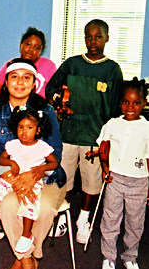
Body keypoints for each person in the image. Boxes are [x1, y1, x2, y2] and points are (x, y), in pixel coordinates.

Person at [0, 57, 66, 269]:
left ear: (34, 83)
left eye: (26, 77)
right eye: (14, 77)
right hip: (9, 179)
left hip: (46, 177)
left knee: (44, 207)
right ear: (6, 81)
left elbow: (55, 152)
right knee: (8, 206)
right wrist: (14, 177)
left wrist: (33, 175)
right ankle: (28, 262)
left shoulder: (47, 111)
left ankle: (21, 262)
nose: (20, 82)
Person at [45, 19, 123, 244]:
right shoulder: (72, 64)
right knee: (64, 180)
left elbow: (116, 107)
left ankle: (84, 219)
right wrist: (58, 101)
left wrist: (108, 139)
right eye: (88, 37)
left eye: (98, 37)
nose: (93, 42)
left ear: (107, 38)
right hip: (68, 134)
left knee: (91, 183)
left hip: (95, 138)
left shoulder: (112, 70)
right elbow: (51, 88)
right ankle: (62, 216)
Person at [97, 78, 149, 269]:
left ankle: (130, 256)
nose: (130, 107)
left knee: (135, 222)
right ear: (120, 102)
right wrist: (105, 167)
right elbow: (103, 148)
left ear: (144, 102)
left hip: (139, 182)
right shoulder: (112, 124)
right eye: (125, 102)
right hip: (115, 180)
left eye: (136, 102)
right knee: (110, 220)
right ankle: (109, 257)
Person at [0, 107, 58, 254]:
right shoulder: (13, 144)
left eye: (29, 128)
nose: (24, 131)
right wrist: (11, 163)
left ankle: (26, 233)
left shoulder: (42, 147)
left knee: (29, 202)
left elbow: (54, 163)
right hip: (13, 177)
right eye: (21, 127)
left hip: (32, 179)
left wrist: (41, 169)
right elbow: (1, 159)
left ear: (38, 130)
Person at [0, 27, 57, 99]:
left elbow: (56, 90)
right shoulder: (11, 65)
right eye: (28, 44)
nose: (31, 49)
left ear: (41, 50)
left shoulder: (48, 66)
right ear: (21, 44)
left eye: (36, 48)